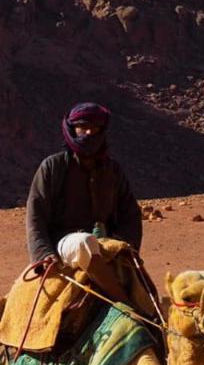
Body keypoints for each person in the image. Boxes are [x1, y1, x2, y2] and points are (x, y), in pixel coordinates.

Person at [25, 102, 143, 277]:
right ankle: (122, 301)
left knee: (144, 291)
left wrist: (125, 244)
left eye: (95, 128)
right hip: (65, 242)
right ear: (72, 130)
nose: (89, 133)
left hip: (105, 242)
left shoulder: (112, 170)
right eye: (83, 127)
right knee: (84, 242)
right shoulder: (53, 166)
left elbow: (130, 214)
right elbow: (36, 214)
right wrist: (43, 254)